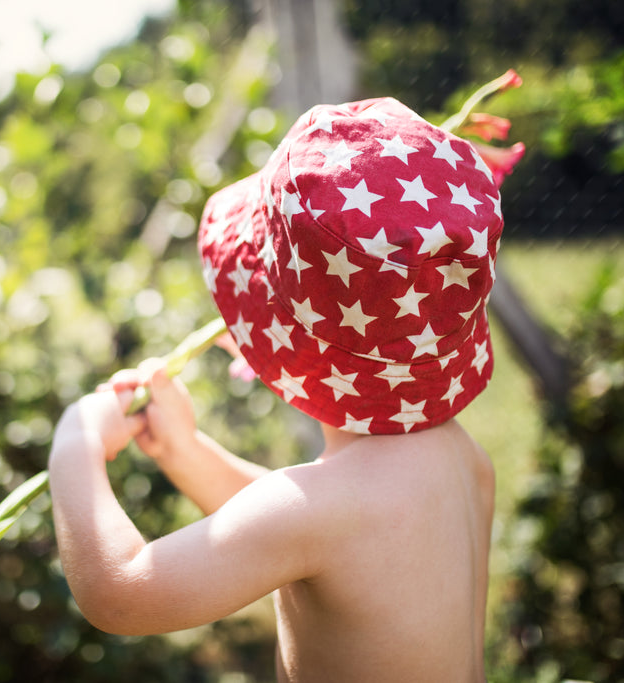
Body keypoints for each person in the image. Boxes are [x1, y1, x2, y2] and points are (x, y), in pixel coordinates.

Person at [49, 96, 500, 682]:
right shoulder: (464, 462)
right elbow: (308, 539)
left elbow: (121, 592)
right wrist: (185, 452)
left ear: (286, 337)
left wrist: (75, 444)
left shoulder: (323, 513)